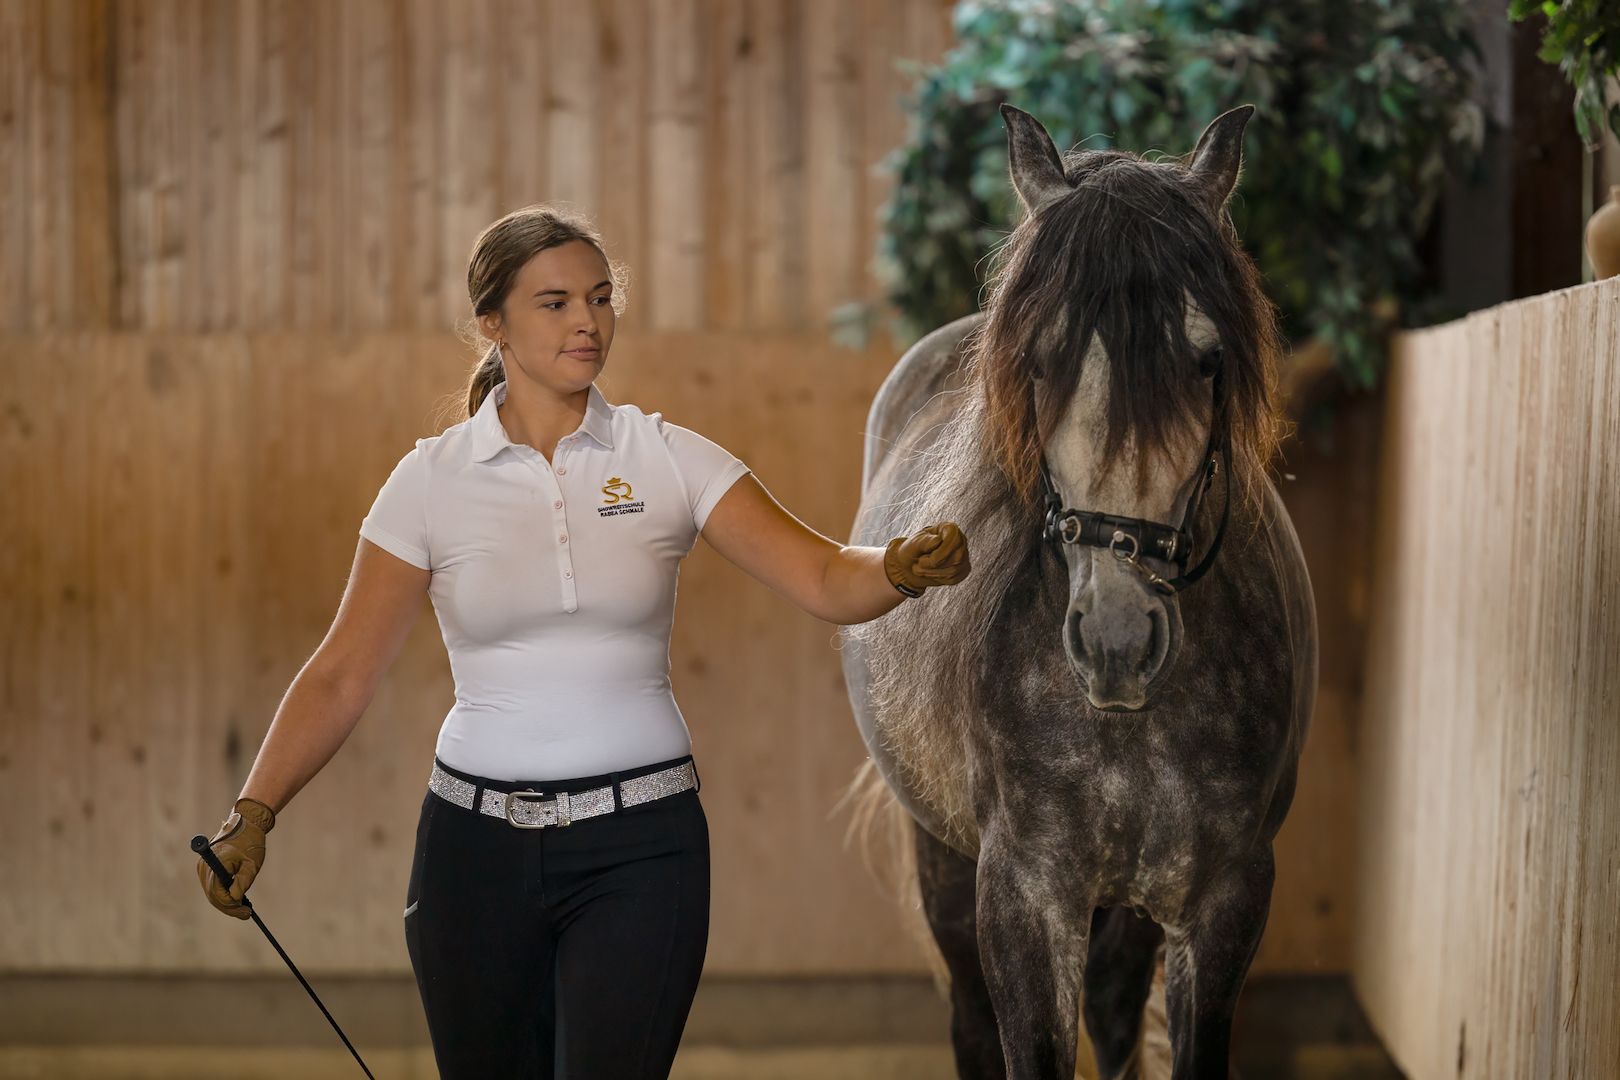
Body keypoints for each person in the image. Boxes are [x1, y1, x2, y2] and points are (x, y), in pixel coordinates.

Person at [194, 204, 971, 1078]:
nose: (587, 322)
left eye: (600, 299)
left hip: (643, 850)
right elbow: (339, 674)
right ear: (492, 322)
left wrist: (899, 567)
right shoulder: (429, 481)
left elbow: (828, 576)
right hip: (471, 854)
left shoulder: (670, 456)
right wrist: (252, 814)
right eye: (556, 302)